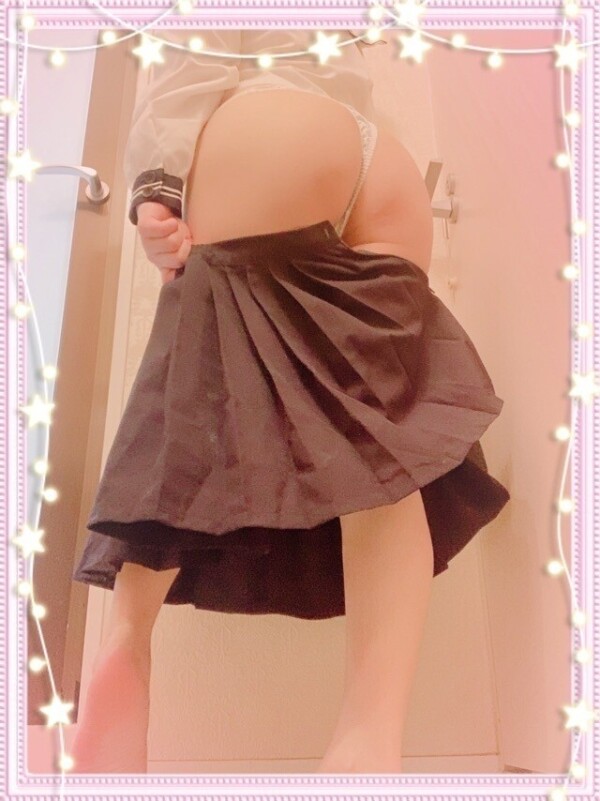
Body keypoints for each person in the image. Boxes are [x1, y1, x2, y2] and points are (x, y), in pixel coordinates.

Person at [71, 28, 510, 774]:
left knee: (197, 404)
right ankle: (369, 738)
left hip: (270, 122)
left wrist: (152, 189)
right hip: (381, 164)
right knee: (380, 448)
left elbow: (191, 55)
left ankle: (127, 640)